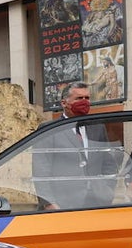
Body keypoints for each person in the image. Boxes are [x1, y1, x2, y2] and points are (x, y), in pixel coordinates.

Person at [32, 81, 120, 210]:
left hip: (98, 201)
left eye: (87, 98)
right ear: (64, 103)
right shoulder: (49, 129)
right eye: (79, 98)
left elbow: (109, 162)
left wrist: (107, 190)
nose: (84, 101)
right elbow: (41, 169)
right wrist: (48, 202)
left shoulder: (97, 127)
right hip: (62, 204)